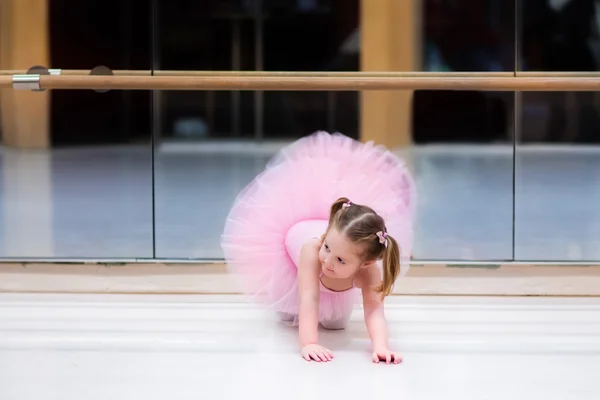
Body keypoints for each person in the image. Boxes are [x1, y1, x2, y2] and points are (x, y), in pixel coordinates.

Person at [221, 131, 416, 364]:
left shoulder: (369, 272)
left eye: (341, 260)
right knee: (287, 315)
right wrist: (309, 343)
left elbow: (374, 310)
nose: (328, 261)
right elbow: (309, 298)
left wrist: (381, 347)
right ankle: (295, 301)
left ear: (365, 263)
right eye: (328, 248)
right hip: (293, 252)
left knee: (336, 324)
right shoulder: (313, 252)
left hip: (340, 265)